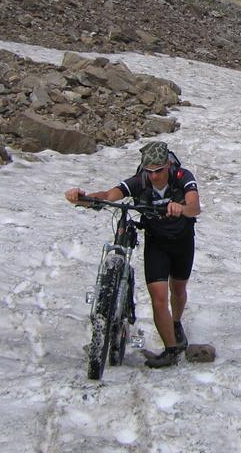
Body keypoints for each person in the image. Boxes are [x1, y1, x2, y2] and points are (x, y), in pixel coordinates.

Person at [65, 141, 201, 368]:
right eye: (150, 171)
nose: (155, 176)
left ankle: (176, 323)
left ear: (168, 165)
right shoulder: (140, 181)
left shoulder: (182, 176)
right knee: (158, 299)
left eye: (158, 171)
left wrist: (183, 209)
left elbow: (195, 206)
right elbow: (110, 194)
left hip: (182, 241)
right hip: (156, 243)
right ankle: (170, 351)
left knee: (177, 289)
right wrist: (84, 198)